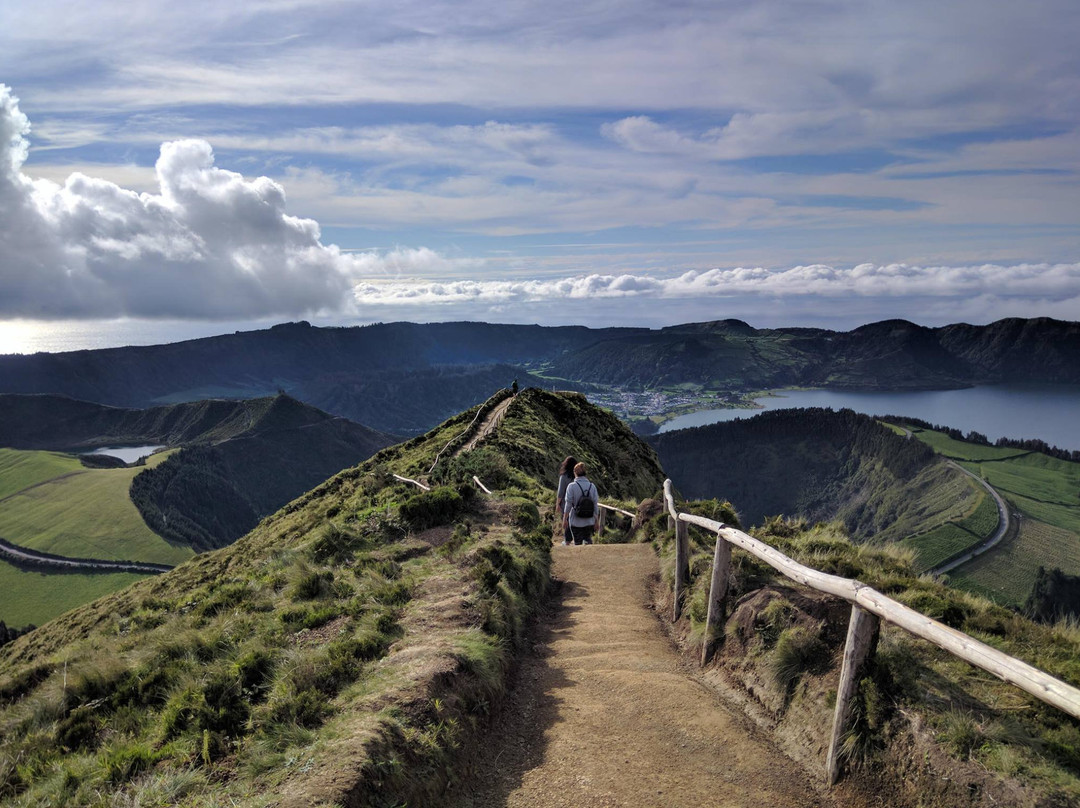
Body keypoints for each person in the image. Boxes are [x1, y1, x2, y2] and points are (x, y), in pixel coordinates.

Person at [563, 462, 601, 545]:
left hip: (575, 520)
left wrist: (565, 519)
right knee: (588, 540)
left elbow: (568, 504)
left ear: (575, 473)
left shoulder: (571, 486)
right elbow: (595, 504)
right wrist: (597, 521)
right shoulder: (592, 486)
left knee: (578, 543)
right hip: (589, 520)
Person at [555, 456, 577, 544]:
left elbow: (560, 492)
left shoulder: (563, 477)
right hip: (577, 502)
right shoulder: (577, 476)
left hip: (566, 502)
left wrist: (557, 504)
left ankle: (567, 540)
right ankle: (575, 539)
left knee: (566, 520)